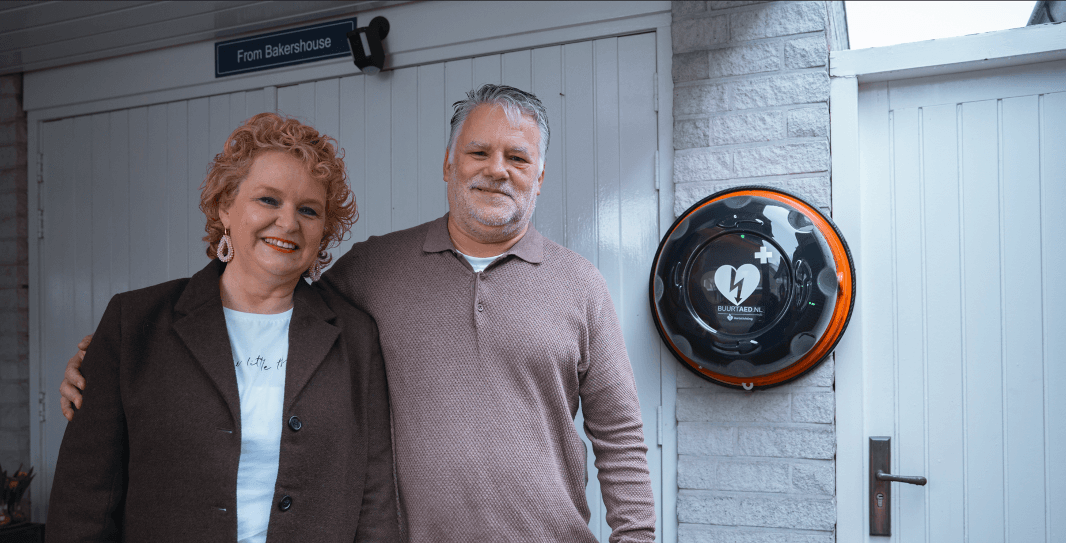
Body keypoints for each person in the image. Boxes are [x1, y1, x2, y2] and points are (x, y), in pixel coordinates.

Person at [62, 85, 655, 542]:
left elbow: (621, 436)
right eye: (478, 151)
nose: (496, 169)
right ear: (448, 164)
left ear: (540, 177)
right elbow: (273, 286)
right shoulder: (375, 270)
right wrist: (104, 364)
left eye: (517, 158)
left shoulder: (581, 286)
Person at [48, 113, 397, 542]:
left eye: (309, 210)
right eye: (268, 200)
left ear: (323, 232)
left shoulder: (356, 337)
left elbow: (375, 501)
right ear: (225, 207)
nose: (289, 222)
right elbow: (83, 499)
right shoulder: (134, 322)